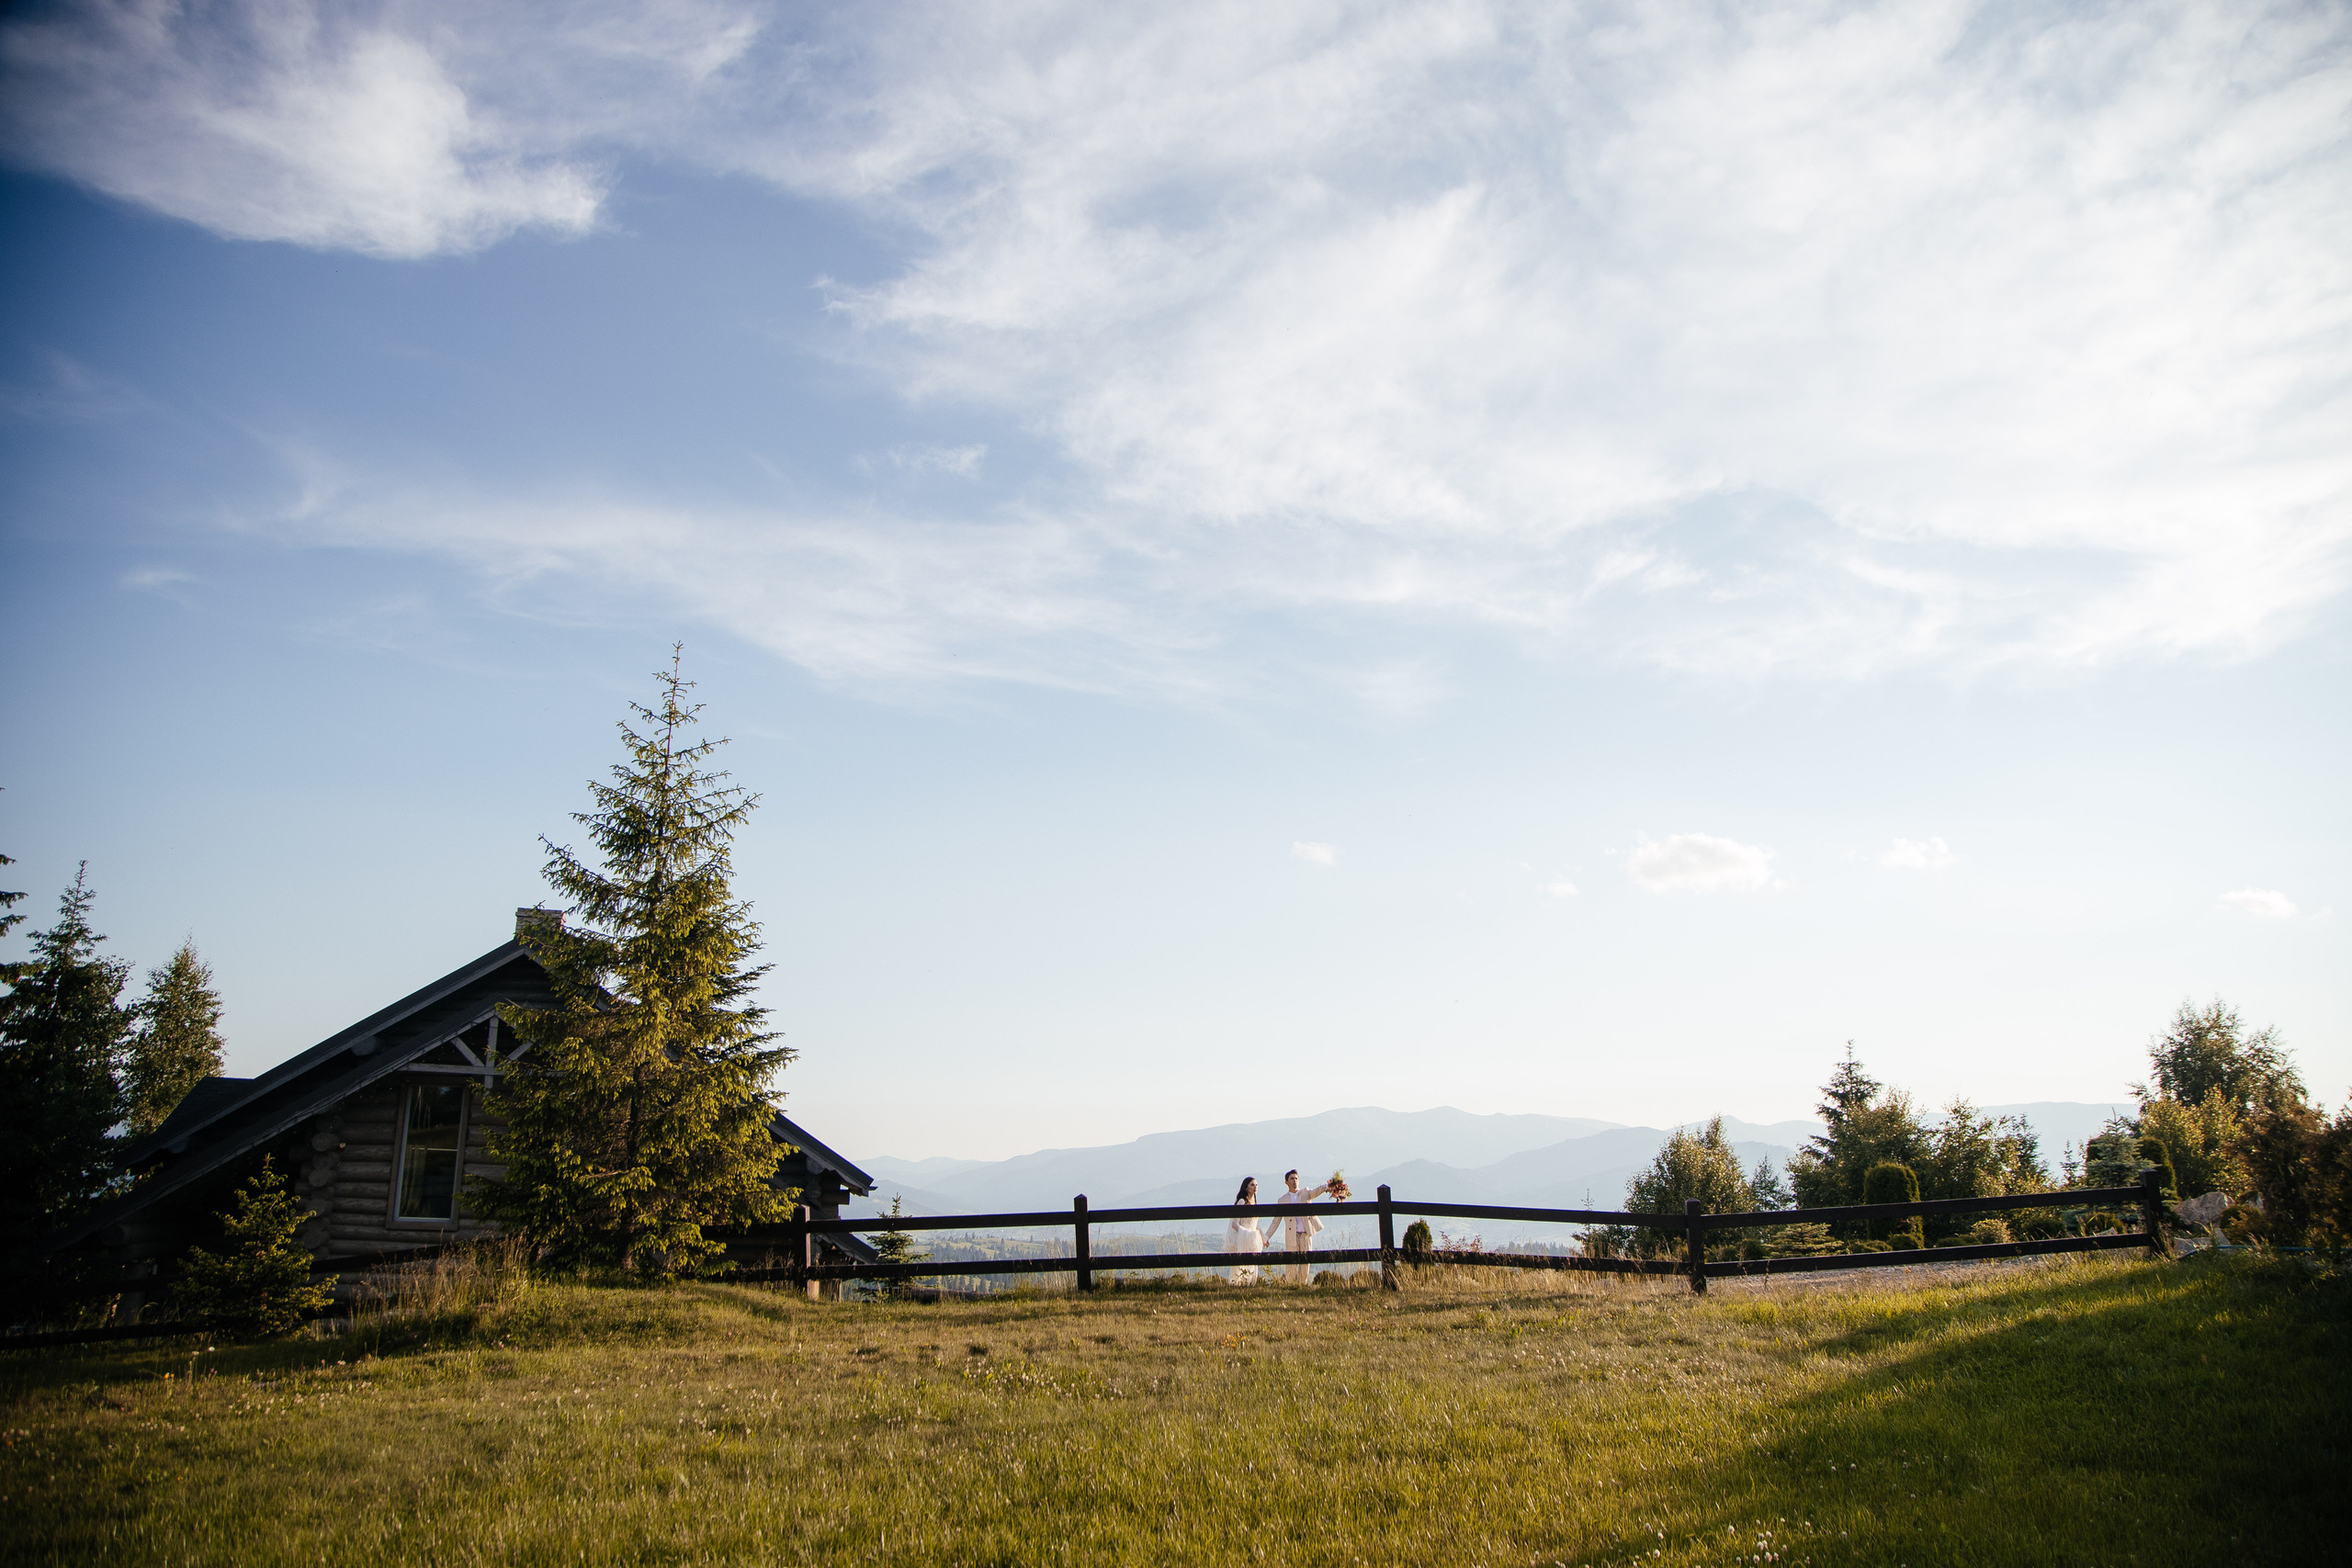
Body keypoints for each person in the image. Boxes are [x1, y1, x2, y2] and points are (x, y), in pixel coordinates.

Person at [1274, 1168, 1338, 1283]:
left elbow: (1316, 1191)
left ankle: (1302, 1284)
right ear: (1286, 1182)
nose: (1295, 1181)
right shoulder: (1282, 1200)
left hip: (1305, 1234)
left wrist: (1327, 1186)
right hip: (1292, 1235)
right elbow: (1276, 1221)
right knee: (1291, 1262)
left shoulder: (1305, 1193)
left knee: (1305, 1261)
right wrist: (1266, 1237)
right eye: (1292, 1179)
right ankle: (1290, 1285)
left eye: (1296, 1178)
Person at [1226, 1176, 1274, 1283]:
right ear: (1246, 1187)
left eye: (1256, 1185)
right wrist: (1245, 1233)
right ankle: (1237, 1283)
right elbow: (1234, 1223)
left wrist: (1263, 1237)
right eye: (1252, 1185)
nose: (1255, 1187)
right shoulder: (1242, 1202)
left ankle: (1249, 1283)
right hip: (1243, 1237)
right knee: (1241, 1262)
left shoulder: (1254, 1202)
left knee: (1252, 1262)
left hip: (1252, 1237)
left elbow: (1255, 1224)